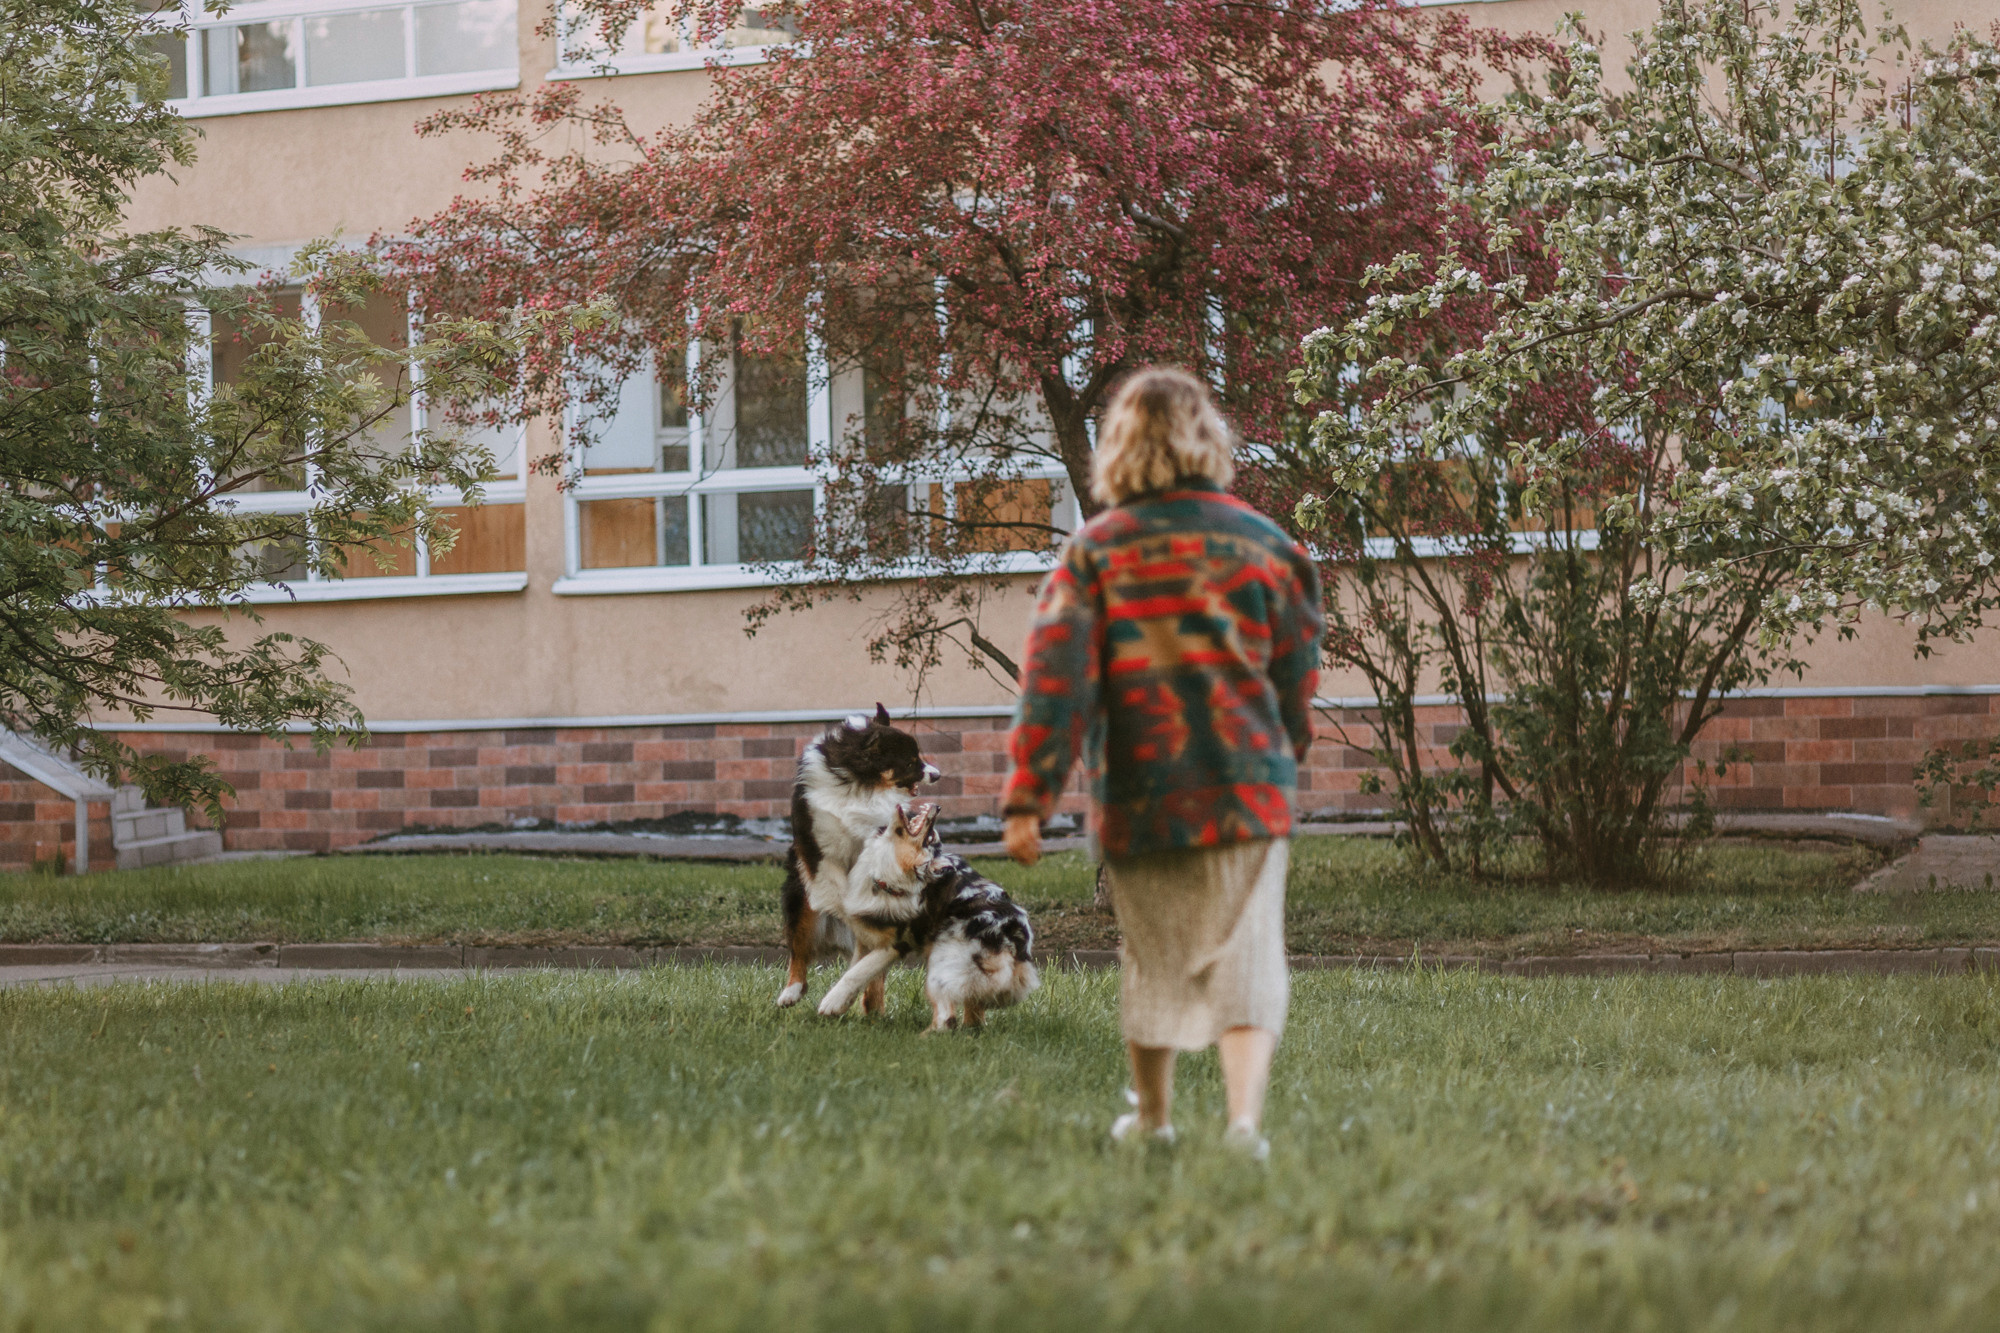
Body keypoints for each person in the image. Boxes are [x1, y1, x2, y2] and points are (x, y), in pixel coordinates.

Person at [1001, 366, 1323, 1160]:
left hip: (1143, 797)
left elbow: (1056, 680)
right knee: (1249, 958)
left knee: (1155, 961)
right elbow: (1296, 663)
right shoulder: (1266, 544)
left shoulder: (1096, 554)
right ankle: (1244, 1127)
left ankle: (1153, 1119)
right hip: (1249, 791)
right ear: (1207, 437)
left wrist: (1028, 797)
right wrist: (1290, 738)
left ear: (1117, 448)